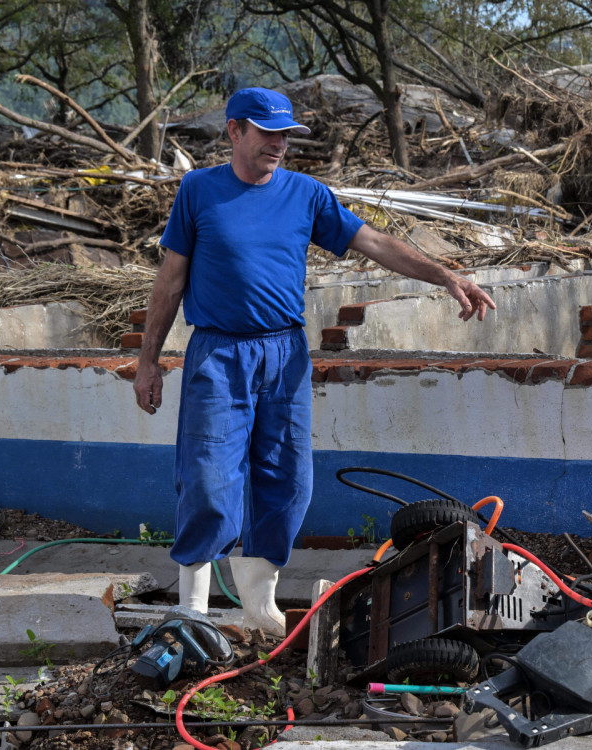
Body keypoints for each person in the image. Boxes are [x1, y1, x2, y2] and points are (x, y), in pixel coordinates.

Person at [132, 87, 496, 629]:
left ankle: (257, 606)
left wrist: (446, 275)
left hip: (284, 355)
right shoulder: (199, 192)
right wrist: (148, 361)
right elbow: (170, 282)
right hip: (219, 354)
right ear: (235, 131)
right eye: (267, 133)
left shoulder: (305, 194)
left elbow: (373, 242)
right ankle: (194, 613)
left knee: (288, 481)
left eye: (285, 135)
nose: (278, 144)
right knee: (209, 479)